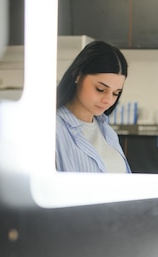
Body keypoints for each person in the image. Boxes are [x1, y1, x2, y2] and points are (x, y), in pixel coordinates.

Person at [55, 40, 131, 173]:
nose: (108, 100)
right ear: (78, 75)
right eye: (100, 89)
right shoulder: (53, 130)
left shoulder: (108, 132)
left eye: (116, 93)